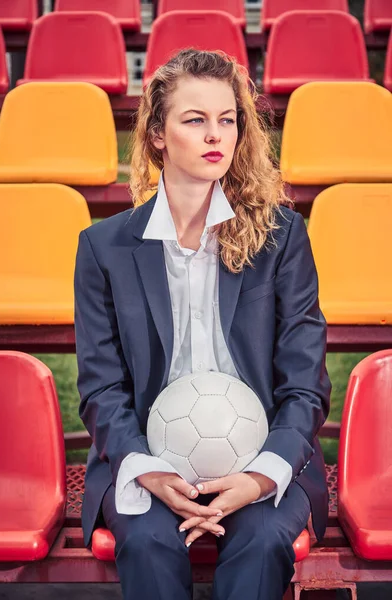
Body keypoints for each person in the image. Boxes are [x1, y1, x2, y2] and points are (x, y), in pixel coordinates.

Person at [74, 48, 331, 600]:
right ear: (158, 136)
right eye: (195, 120)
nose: (216, 134)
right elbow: (100, 387)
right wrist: (145, 469)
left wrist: (262, 475)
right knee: (146, 541)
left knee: (262, 538)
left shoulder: (281, 237)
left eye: (227, 119)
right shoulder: (103, 247)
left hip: (259, 458)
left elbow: (306, 384)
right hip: (149, 459)